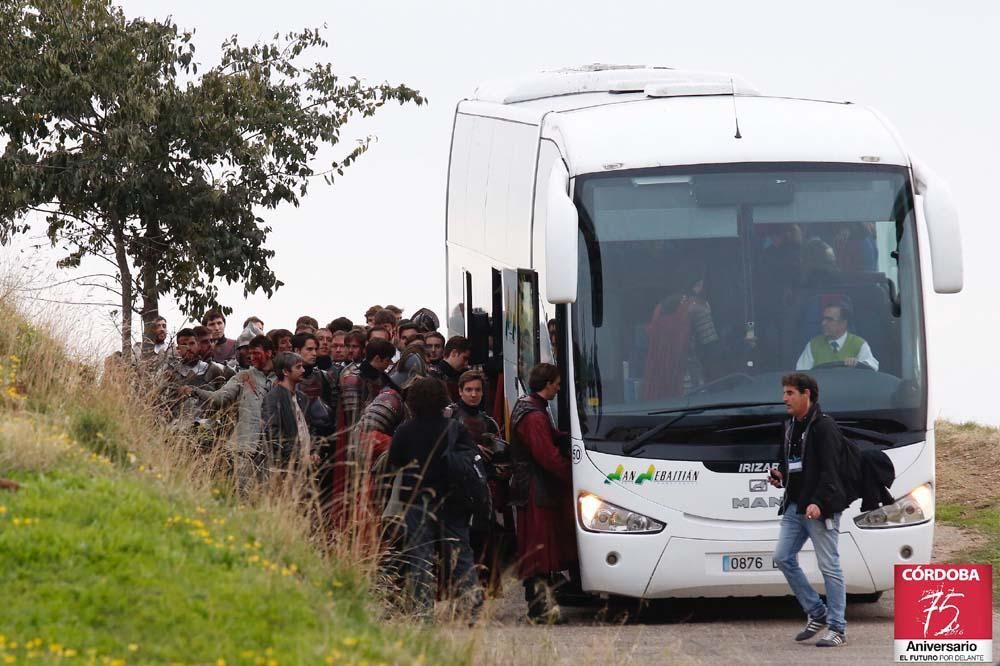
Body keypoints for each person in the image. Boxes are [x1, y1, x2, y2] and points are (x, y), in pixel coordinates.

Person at [389, 376, 483, 619]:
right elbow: (471, 458)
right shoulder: (454, 428)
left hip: (416, 500)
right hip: (452, 498)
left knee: (420, 556)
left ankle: (422, 611)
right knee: (460, 553)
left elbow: (395, 462)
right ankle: (471, 608)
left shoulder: (404, 430)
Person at [769, 373, 849, 648]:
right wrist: (779, 474)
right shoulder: (790, 425)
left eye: (790, 393)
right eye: (784, 393)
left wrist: (818, 501)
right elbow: (790, 461)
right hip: (794, 505)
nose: (784, 399)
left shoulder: (824, 427)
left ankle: (837, 627)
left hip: (819, 507)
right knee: (782, 557)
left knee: (829, 566)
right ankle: (816, 612)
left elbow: (831, 470)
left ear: (807, 395)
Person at [509, 363, 576, 623]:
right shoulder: (534, 416)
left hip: (533, 488)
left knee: (538, 550)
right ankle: (540, 611)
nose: (559, 389)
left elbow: (549, 440)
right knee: (539, 552)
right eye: (557, 384)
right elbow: (547, 456)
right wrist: (574, 473)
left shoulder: (530, 408)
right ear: (546, 383)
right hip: (537, 490)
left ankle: (542, 609)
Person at [184, 335, 276, 491]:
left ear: (269, 353)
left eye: (256, 353)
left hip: (273, 448)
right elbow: (220, 398)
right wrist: (195, 391)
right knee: (242, 492)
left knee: (268, 494)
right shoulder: (243, 376)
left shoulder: (281, 378)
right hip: (244, 445)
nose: (251, 357)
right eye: (250, 353)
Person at [447, 370, 509, 594]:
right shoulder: (450, 417)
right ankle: (458, 591)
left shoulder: (489, 422)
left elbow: (499, 456)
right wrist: (471, 450)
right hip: (456, 488)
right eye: (469, 390)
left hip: (483, 490)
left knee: (483, 540)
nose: (473, 394)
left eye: (478, 390)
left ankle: (482, 590)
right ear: (460, 391)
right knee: (458, 540)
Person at [642, 269, 720, 401]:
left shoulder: (660, 307)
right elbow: (711, 346)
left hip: (658, 375)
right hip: (687, 376)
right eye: (701, 285)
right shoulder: (698, 306)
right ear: (698, 285)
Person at [261, 351, 313, 475]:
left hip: (303, 466)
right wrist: (296, 457)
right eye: (298, 367)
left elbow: (308, 428)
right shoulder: (273, 397)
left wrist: (313, 452)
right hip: (284, 467)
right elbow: (273, 434)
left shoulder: (302, 397)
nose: (303, 371)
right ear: (285, 371)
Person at [796, 303, 878, 371]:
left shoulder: (859, 344)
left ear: (843, 323)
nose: (823, 323)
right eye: (823, 319)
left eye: (829, 319)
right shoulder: (813, 344)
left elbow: (872, 368)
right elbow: (801, 373)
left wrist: (858, 363)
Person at [429, 335, 471, 402]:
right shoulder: (435, 377)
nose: (466, 363)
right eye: (464, 358)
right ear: (454, 353)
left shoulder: (459, 375)